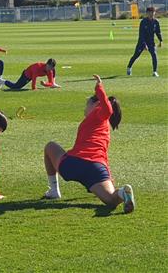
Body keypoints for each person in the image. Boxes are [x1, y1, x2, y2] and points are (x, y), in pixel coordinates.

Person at [42, 75, 135, 214]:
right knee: (110, 200)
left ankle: (54, 191)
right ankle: (122, 193)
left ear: (96, 105)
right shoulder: (105, 127)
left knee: (50, 146)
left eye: (87, 104)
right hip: (96, 167)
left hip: (74, 163)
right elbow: (102, 154)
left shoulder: (99, 113)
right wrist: (108, 176)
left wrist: (99, 87)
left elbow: (108, 110)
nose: (85, 108)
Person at [127, 6, 163, 77]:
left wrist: (160, 40)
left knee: (154, 55)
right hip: (142, 42)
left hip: (151, 42)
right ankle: (129, 67)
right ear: (147, 13)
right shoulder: (143, 22)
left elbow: (158, 32)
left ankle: (154, 71)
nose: (151, 14)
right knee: (136, 55)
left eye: (153, 12)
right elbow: (141, 35)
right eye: (150, 12)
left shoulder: (156, 22)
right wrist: (144, 45)